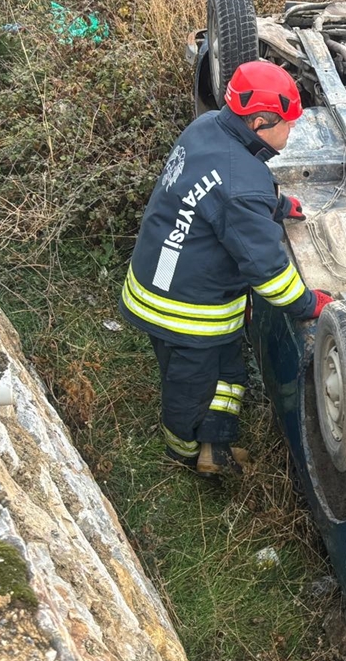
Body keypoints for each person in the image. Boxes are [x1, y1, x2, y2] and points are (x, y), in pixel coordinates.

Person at [120, 60, 332, 476]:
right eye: (287, 124)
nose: (291, 131)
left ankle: (215, 441)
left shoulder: (206, 129)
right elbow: (269, 272)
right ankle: (183, 451)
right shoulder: (242, 182)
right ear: (258, 122)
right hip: (183, 310)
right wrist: (308, 305)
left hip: (163, 272)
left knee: (229, 373)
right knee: (191, 387)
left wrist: (270, 206)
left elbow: (212, 192)